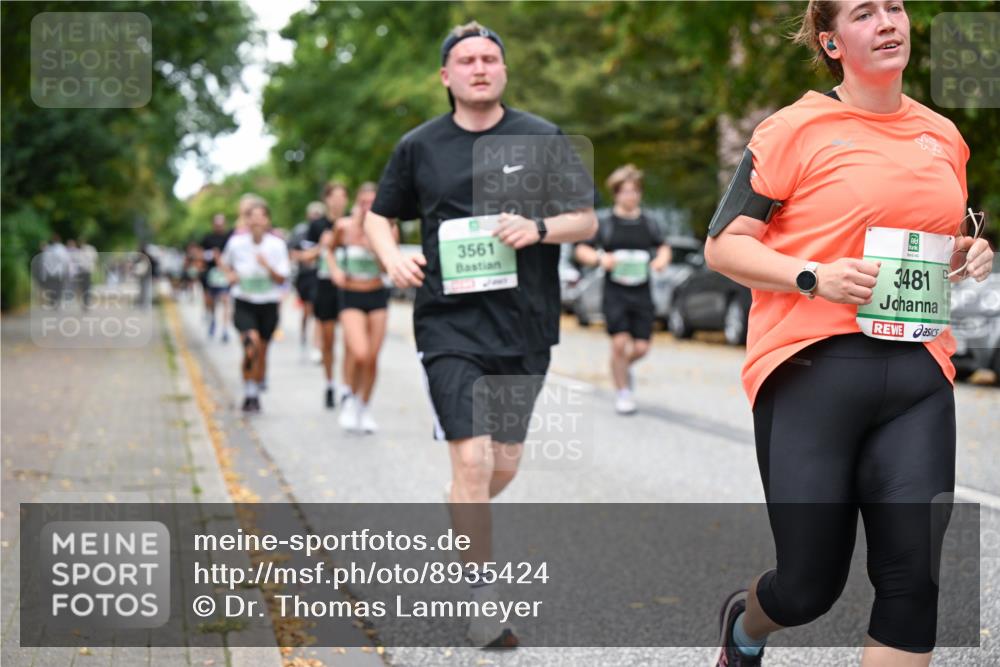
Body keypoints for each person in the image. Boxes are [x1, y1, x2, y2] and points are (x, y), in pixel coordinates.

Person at [703, 2, 995, 665]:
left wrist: (967, 253)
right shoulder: (793, 130)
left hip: (919, 374)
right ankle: (745, 628)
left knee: (912, 577)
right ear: (831, 41)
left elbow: (927, 242)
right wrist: (812, 276)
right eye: (866, 13)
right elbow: (723, 247)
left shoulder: (942, 135)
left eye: (895, 7)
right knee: (808, 586)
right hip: (811, 372)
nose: (889, 21)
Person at [363, 20, 596, 648]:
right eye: (465, 60)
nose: (479, 67)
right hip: (448, 324)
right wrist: (391, 257)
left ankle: (464, 503)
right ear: (446, 76)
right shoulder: (420, 146)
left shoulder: (542, 138)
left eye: (490, 58)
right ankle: (481, 599)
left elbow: (585, 218)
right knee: (471, 457)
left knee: (504, 463)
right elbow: (379, 218)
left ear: (503, 70)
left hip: (525, 324)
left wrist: (541, 230)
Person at [574, 165, 670, 414]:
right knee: (619, 343)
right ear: (616, 194)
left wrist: (661, 260)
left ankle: (621, 368)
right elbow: (581, 250)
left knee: (641, 348)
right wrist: (599, 259)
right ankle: (623, 393)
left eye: (634, 191)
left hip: (642, 291)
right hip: (615, 292)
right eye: (625, 192)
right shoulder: (604, 222)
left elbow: (663, 247)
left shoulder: (649, 222)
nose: (630, 196)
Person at [327, 182, 394, 433]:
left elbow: (389, 268)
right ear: (357, 203)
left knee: (373, 357)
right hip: (351, 296)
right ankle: (349, 398)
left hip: (377, 295)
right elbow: (330, 251)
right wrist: (335, 270)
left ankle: (364, 407)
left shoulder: (387, 229)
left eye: (373, 203)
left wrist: (377, 249)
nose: (368, 208)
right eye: (364, 202)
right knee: (360, 352)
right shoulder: (343, 227)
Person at [218, 200, 290, 413]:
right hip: (244, 303)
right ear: (247, 220)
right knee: (252, 346)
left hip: (268, 305)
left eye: (262, 216)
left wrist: (267, 266)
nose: (257, 220)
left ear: (268, 220)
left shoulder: (277, 246)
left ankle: (256, 389)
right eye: (253, 216)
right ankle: (249, 392)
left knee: (262, 352)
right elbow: (224, 263)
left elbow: (281, 279)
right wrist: (230, 275)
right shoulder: (236, 243)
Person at [304, 183, 351, 408]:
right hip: (324, 284)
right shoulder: (317, 225)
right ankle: (330, 384)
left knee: (352, 341)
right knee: (329, 340)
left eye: (343, 196)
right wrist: (321, 247)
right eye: (335, 196)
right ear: (327, 200)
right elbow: (305, 257)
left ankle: (347, 387)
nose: (339, 201)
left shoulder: (352, 223)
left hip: (350, 285)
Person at [289, 201, 327, 356]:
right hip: (304, 276)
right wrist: (310, 255)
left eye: (319, 215)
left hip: (319, 276)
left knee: (317, 309)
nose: (315, 218)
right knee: (307, 310)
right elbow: (293, 253)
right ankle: (304, 334)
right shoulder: (300, 232)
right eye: (313, 214)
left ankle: (316, 345)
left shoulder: (325, 231)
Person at [200, 213, 234, 342]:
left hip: (225, 272)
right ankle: (213, 320)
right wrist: (211, 255)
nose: (219, 226)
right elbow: (201, 254)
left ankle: (225, 329)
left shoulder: (229, 238)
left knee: (226, 300)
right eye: (217, 224)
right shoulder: (207, 238)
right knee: (212, 301)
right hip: (211, 273)